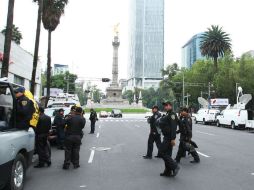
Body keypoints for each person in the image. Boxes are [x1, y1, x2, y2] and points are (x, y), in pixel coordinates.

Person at [156, 101, 180, 177]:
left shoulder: (172, 114)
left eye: (166, 105)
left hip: (169, 137)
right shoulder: (168, 114)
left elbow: (173, 127)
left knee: (161, 152)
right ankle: (168, 171)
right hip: (167, 136)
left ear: (170, 106)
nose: (165, 107)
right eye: (164, 106)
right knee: (168, 154)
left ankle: (175, 166)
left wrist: (173, 138)